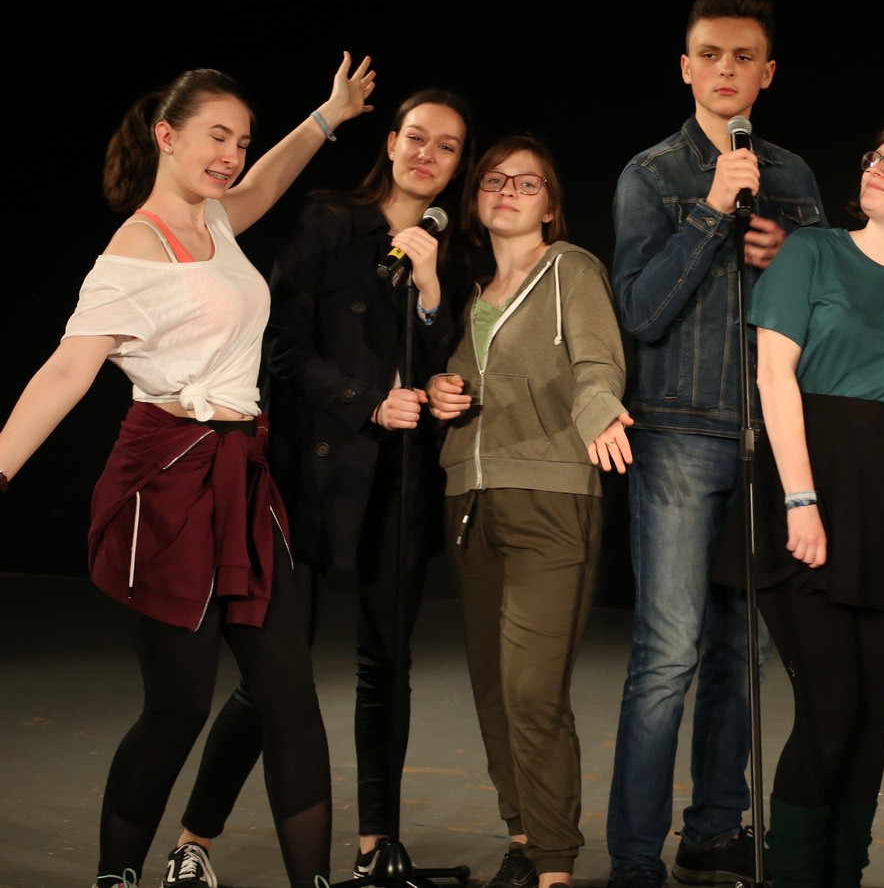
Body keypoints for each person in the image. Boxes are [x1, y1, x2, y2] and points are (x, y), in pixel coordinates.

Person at [0, 55, 376, 888]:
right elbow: (66, 372)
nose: (232, 155)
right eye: (217, 136)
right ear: (166, 136)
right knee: (177, 708)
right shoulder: (132, 252)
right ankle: (116, 876)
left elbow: (266, 182)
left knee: (289, 698)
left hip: (241, 473)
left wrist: (326, 116)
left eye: (240, 140)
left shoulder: (216, 220)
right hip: (168, 479)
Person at [163, 88, 472, 884]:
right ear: (391, 142)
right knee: (275, 673)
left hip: (399, 477)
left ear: (457, 165)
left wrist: (433, 307)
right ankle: (194, 840)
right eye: (416, 137)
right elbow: (285, 349)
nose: (427, 155)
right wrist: (367, 400)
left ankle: (376, 849)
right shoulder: (330, 219)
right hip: (307, 472)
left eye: (446, 146)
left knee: (387, 664)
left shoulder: (452, 251)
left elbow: (450, 358)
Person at [608, 0, 826, 888]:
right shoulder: (652, 173)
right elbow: (640, 310)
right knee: (669, 650)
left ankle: (713, 827)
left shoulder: (795, 177)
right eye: (710, 54)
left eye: (743, 57)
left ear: (767, 73)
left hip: (768, 436)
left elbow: (827, 314)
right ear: (686, 67)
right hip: (678, 433)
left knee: (745, 651)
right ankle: (633, 857)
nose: (725, 69)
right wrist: (708, 212)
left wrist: (794, 259)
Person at [747, 120, 884, 887]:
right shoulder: (811, 251)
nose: (876, 168)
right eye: (875, 156)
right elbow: (774, 375)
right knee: (831, 707)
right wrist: (800, 499)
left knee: (870, 713)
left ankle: (844, 872)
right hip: (808, 491)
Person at [427, 134, 632, 888]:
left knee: (532, 690)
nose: (507, 190)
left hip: (551, 499)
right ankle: (521, 836)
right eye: (494, 180)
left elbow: (597, 360)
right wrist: (440, 393)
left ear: (550, 205)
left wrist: (600, 408)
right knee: (492, 687)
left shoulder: (570, 269)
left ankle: (554, 863)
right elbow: (457, 381)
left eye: (527, 182)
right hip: (469, 502)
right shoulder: (468, 292)